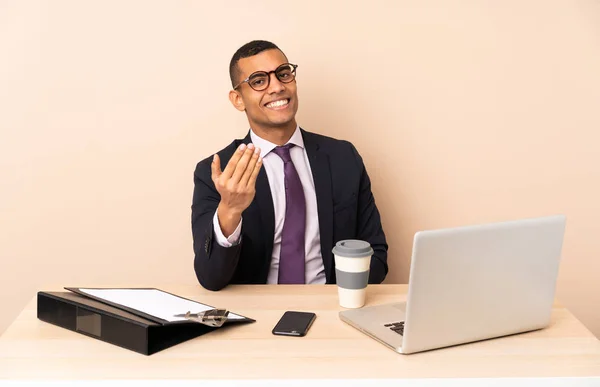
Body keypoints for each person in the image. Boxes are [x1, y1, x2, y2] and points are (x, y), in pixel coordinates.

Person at [191, 40, 388, 291]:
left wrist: (340, 301)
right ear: (238, 99)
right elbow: (211, 278)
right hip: (256, 316)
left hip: (332, 309)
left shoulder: (343, 158)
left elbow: (377, 255)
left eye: (283, 74)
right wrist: (230, 209)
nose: (277, 87)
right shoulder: (217, 173)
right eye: (259, 81)